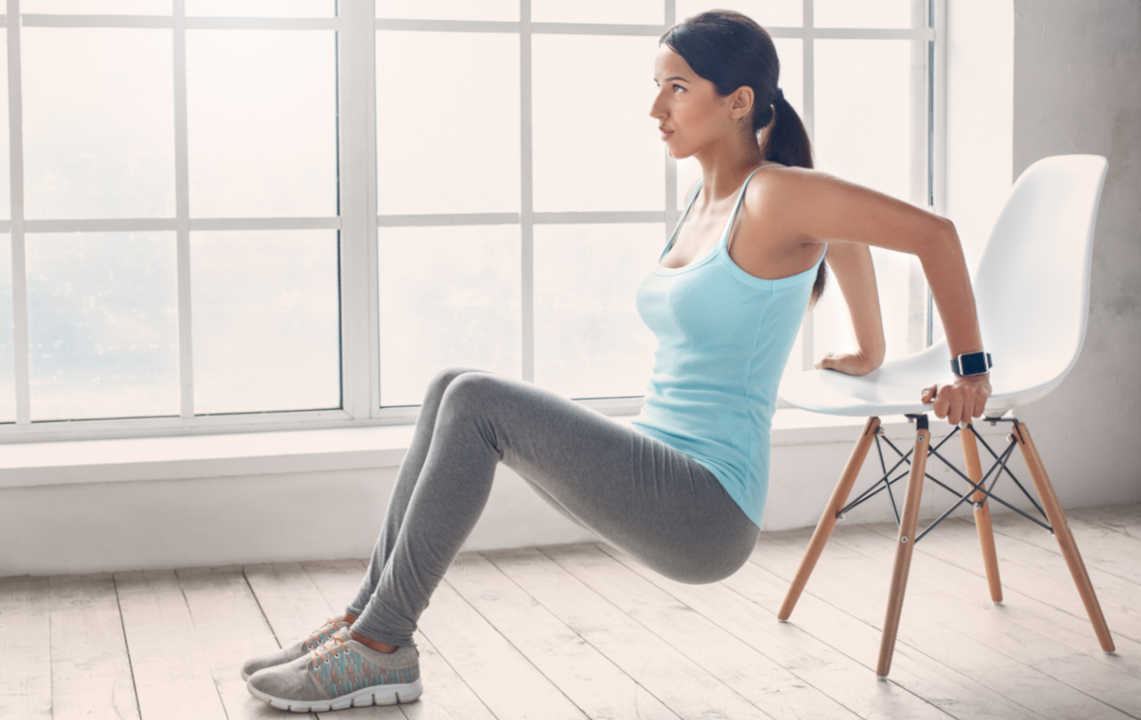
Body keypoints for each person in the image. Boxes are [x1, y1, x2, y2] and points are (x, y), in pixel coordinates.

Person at [243, 9, 991, 713]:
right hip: (655, 467)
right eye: (656, 87)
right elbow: (848, 236)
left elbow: (935, 234)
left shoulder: (773, 195)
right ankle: (365, 621)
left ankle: (380, 644)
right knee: (450, 388)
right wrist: (870, 348)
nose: (657, 109)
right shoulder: (710, 200)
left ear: (737, 102)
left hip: (704, 506)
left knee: (475, 400)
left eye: (676, 88)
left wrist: (971, 372)